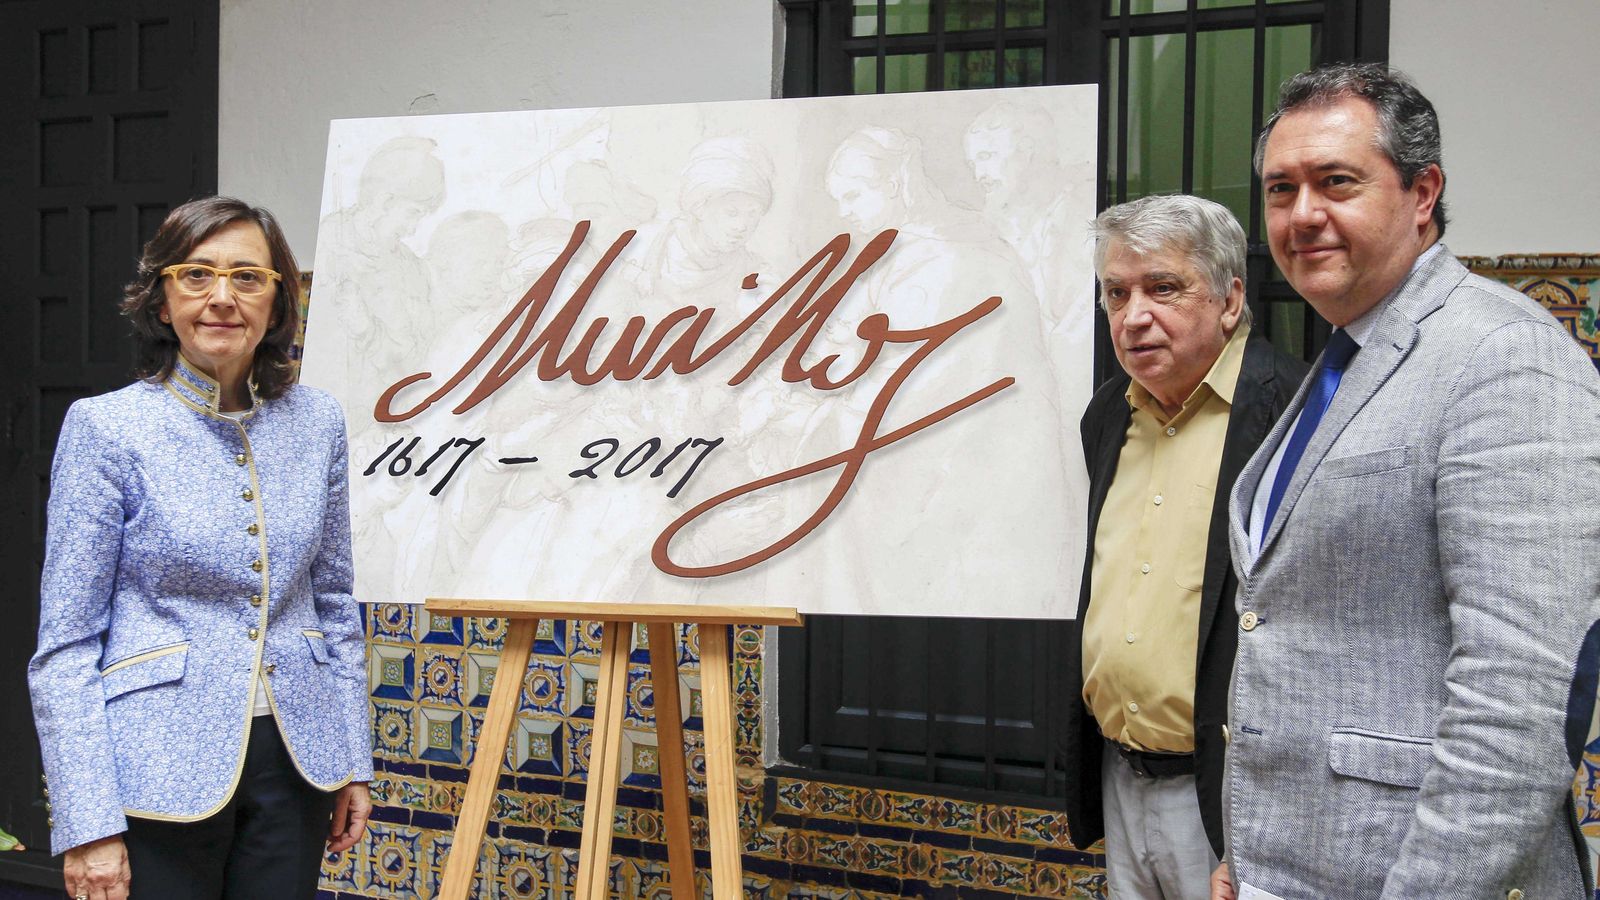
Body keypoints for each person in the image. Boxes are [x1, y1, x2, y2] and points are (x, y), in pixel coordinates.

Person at [1211, 63, 1600, 900]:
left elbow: (1519, 706)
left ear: (1423, 194)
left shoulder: (1503, 355)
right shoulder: (1346, 359)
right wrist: (1248, 857)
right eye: (1281, 190)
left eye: (1336, 182)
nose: (1302, 214)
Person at [28, 197, 373, 900]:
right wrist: (86, 821)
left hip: (296, 761)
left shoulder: (319, 422)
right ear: (161, 301)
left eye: (248, 277)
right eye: (196, 275)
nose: (222, 297)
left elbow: (334, 602)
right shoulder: (106, 428)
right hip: (153, 762)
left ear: (278, 305)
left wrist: (352, 759)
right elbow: (64, 646)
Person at [1062, 195, 1306, 899]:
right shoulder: (1109, 412)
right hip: (1118, 777)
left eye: (1163, 288)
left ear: (1230, 300)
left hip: (1231, 794)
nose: (1133, 315)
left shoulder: (1296, 411)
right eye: (1117, 292)